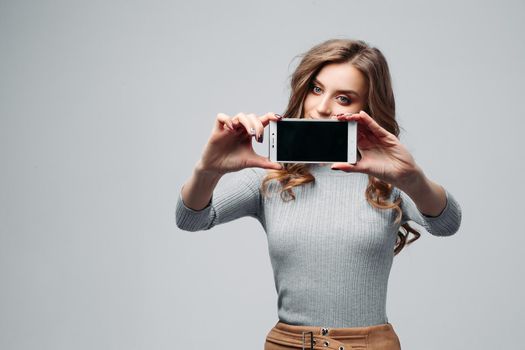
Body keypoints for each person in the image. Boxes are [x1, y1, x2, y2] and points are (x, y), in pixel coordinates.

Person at [175, 38, 462, 350]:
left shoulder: (388, 179)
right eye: (316, 89)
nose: (322, 108)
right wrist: (208, 169)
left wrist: (413, 179)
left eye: (343, 98)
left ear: (366, 108)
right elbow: (191, 219)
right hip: (287, 344)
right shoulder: (271, 178)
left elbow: (446, 223)